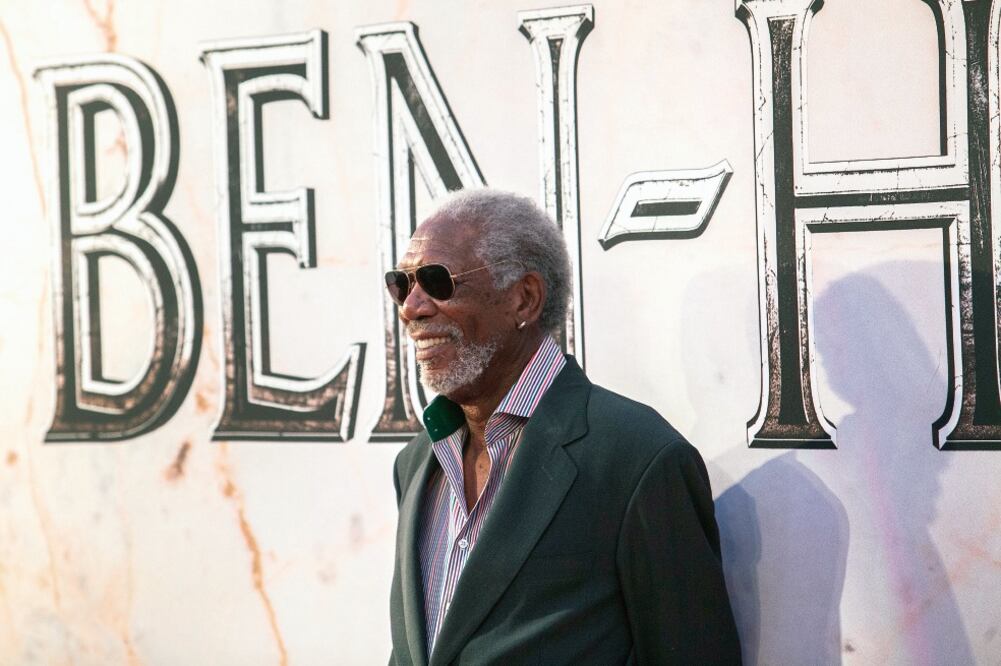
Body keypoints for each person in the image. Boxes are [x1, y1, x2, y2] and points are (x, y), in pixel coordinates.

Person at [385, 188, 741, 665]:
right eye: (401, 284)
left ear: (524, 299)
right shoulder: (415, 464)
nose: (411, 307)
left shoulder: (636, 459)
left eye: (436, 281)